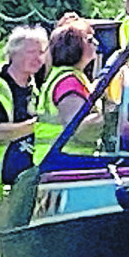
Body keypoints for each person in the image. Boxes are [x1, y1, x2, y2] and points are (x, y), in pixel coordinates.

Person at [0, 26, 48, 191]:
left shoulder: (35, 89)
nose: (38, 58)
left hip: (25, 183)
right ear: (13, 53)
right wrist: (37, 125)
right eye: (31, 52)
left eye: (41, 53)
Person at [34, 18, 104, 161]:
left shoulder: (66, 76)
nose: (96, 44)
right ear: (74, 46)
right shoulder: (69, 83)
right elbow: (78, 128)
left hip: (58, 160)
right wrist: (108, 117)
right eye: (90, 40)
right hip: (64, 163)